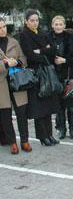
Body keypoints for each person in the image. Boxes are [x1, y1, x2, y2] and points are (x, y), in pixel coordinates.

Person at [19, 9, 60, 146]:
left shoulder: (42, 33)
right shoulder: (24, 35)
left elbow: (53, 49)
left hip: (46, 71)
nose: (35, 23)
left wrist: (42, 51)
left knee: (48, 105)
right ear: (26, 21)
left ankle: (49, 134)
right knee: (39, 107)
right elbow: (30, 55)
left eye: (37, 20)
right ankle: (43, 137)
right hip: (36, 74)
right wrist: (45, 53)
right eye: (32, 20)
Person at [0, 17, 31, 154]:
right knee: (5, 115)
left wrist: (16, 62)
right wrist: (5, 64)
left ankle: (25, 141)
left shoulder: (14, 42)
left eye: (4, 26)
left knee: (21, 113)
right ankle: (12, 142)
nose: (2, 30)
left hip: (18, 81)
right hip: (2, 84)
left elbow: (24, 59)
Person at [49, 15, 73, 139]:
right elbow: (45, 55)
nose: (58, 27)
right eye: (56, 24)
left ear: (64, 26)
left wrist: (65, 60)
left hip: (70, 75)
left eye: (60, 24)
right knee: (59, 105)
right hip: (55, 76)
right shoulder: (48, 38)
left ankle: (72, 128)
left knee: (71, 105)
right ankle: (62, 129)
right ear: (52, 25)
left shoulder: (71, 38)